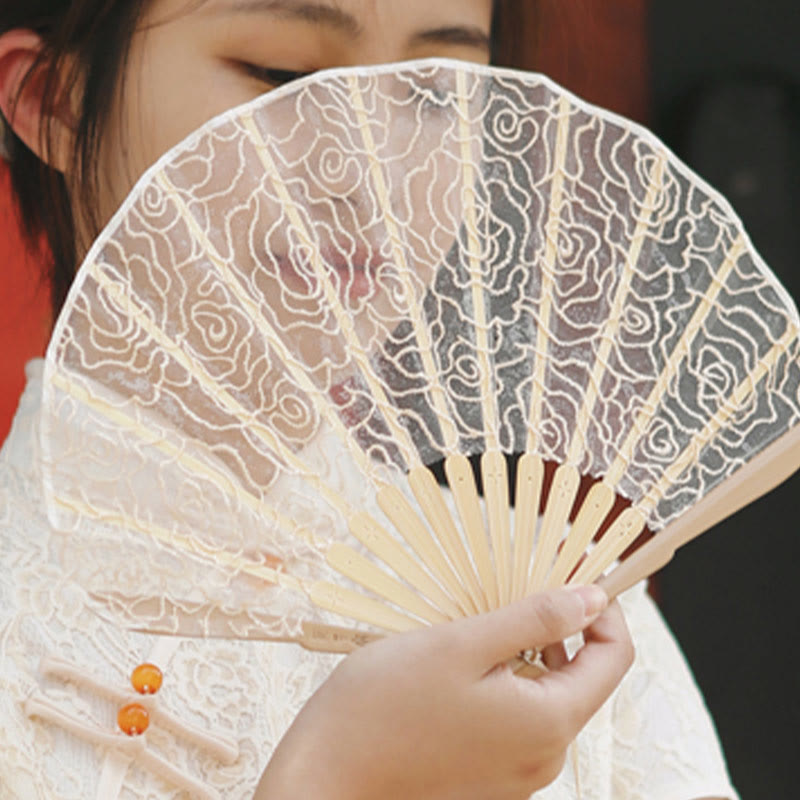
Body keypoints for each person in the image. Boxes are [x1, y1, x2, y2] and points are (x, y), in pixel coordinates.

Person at [0, 2, 739, 798]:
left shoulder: (563, 612)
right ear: (56, 102)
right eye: (283, 77)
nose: (369, 171)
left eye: (433, 93)